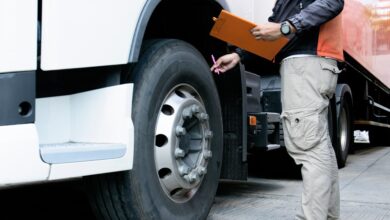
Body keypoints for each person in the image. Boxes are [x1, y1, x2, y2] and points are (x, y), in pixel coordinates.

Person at [211, 0, 344, 219]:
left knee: (308, 148)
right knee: (320, 149)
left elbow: (333, 1)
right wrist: (239, 55)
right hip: (311, 65)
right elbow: (272, 33)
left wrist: (286, 27)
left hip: (306, 65)